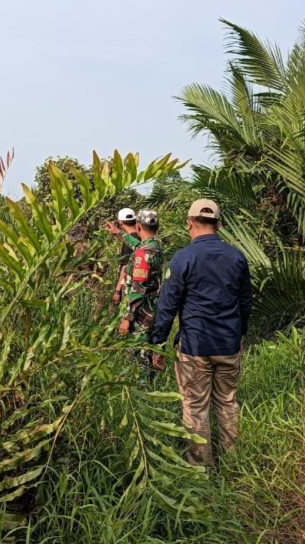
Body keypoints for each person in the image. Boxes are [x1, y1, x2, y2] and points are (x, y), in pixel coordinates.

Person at [151, 199, 252, 467]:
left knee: (195, 408)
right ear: (219, 225)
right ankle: (234, 463)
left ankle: (200, 471)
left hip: (195, 347)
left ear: (189, 223)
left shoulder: (183, 258)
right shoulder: (237, 257)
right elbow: (245, 303)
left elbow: (167, 305)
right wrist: (240, 335)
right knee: (227, 404)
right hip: (229, 345)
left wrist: (157, 343)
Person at [119, 210, 166, 371]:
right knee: (149, 353)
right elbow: (136, 244)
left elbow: (138, 289)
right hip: (153, 310)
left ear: (138, 226)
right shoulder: (156, 246)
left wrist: (128, 317)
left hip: (141, 315)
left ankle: (144, 392)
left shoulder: (143, 253)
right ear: (157, 227)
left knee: (140, 359)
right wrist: (118, 233)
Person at [104, 208, 140, 305]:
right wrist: (117, 233)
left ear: (120, 222)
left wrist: (117, 291)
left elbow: (125, 267)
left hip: (130, 286)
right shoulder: (140, 236)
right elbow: (130, 242)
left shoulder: (130, 240)